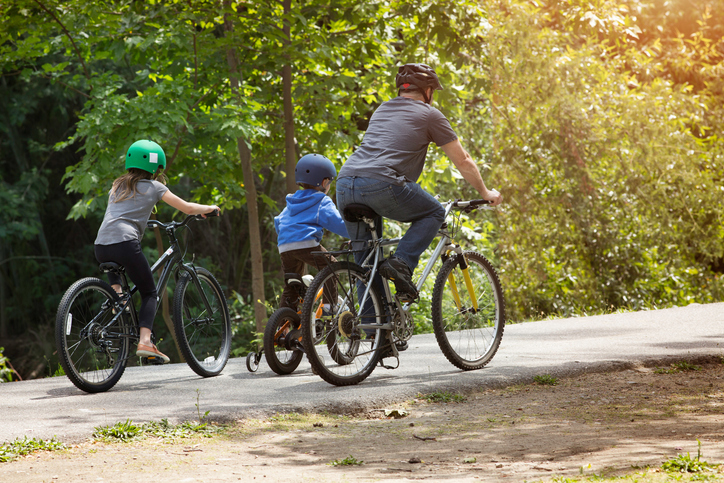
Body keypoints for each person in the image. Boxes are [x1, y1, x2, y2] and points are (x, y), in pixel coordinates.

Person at [336, 63, 502, 303]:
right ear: (428, 91)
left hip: (344, 185)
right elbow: (463, 161)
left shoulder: (382, 109)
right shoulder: (429, 114)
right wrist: (485, 192)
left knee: (366, 264)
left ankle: (376, 331)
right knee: (434, 212)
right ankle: (401, 263)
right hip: (382, 184)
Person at [94, 140, 219, 363]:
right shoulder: (155, 187)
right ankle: (145, 340)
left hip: (101, 245)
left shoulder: (116, 186)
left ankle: (117, 297)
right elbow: (187, 208)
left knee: (119, 278)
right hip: (125, 243)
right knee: (150, 292)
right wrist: (209, 208)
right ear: (155, 167)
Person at [274, 154, 349, 310]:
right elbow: (338, 224)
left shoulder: (292, 200)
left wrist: (287, 239)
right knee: (331, 268)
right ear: (324, 182)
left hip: (284, 246)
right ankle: (330, 307)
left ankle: (283, 326)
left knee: (291, 284)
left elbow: (278, 220)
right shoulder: (321, 200)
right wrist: (356, 233)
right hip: (306, 243)